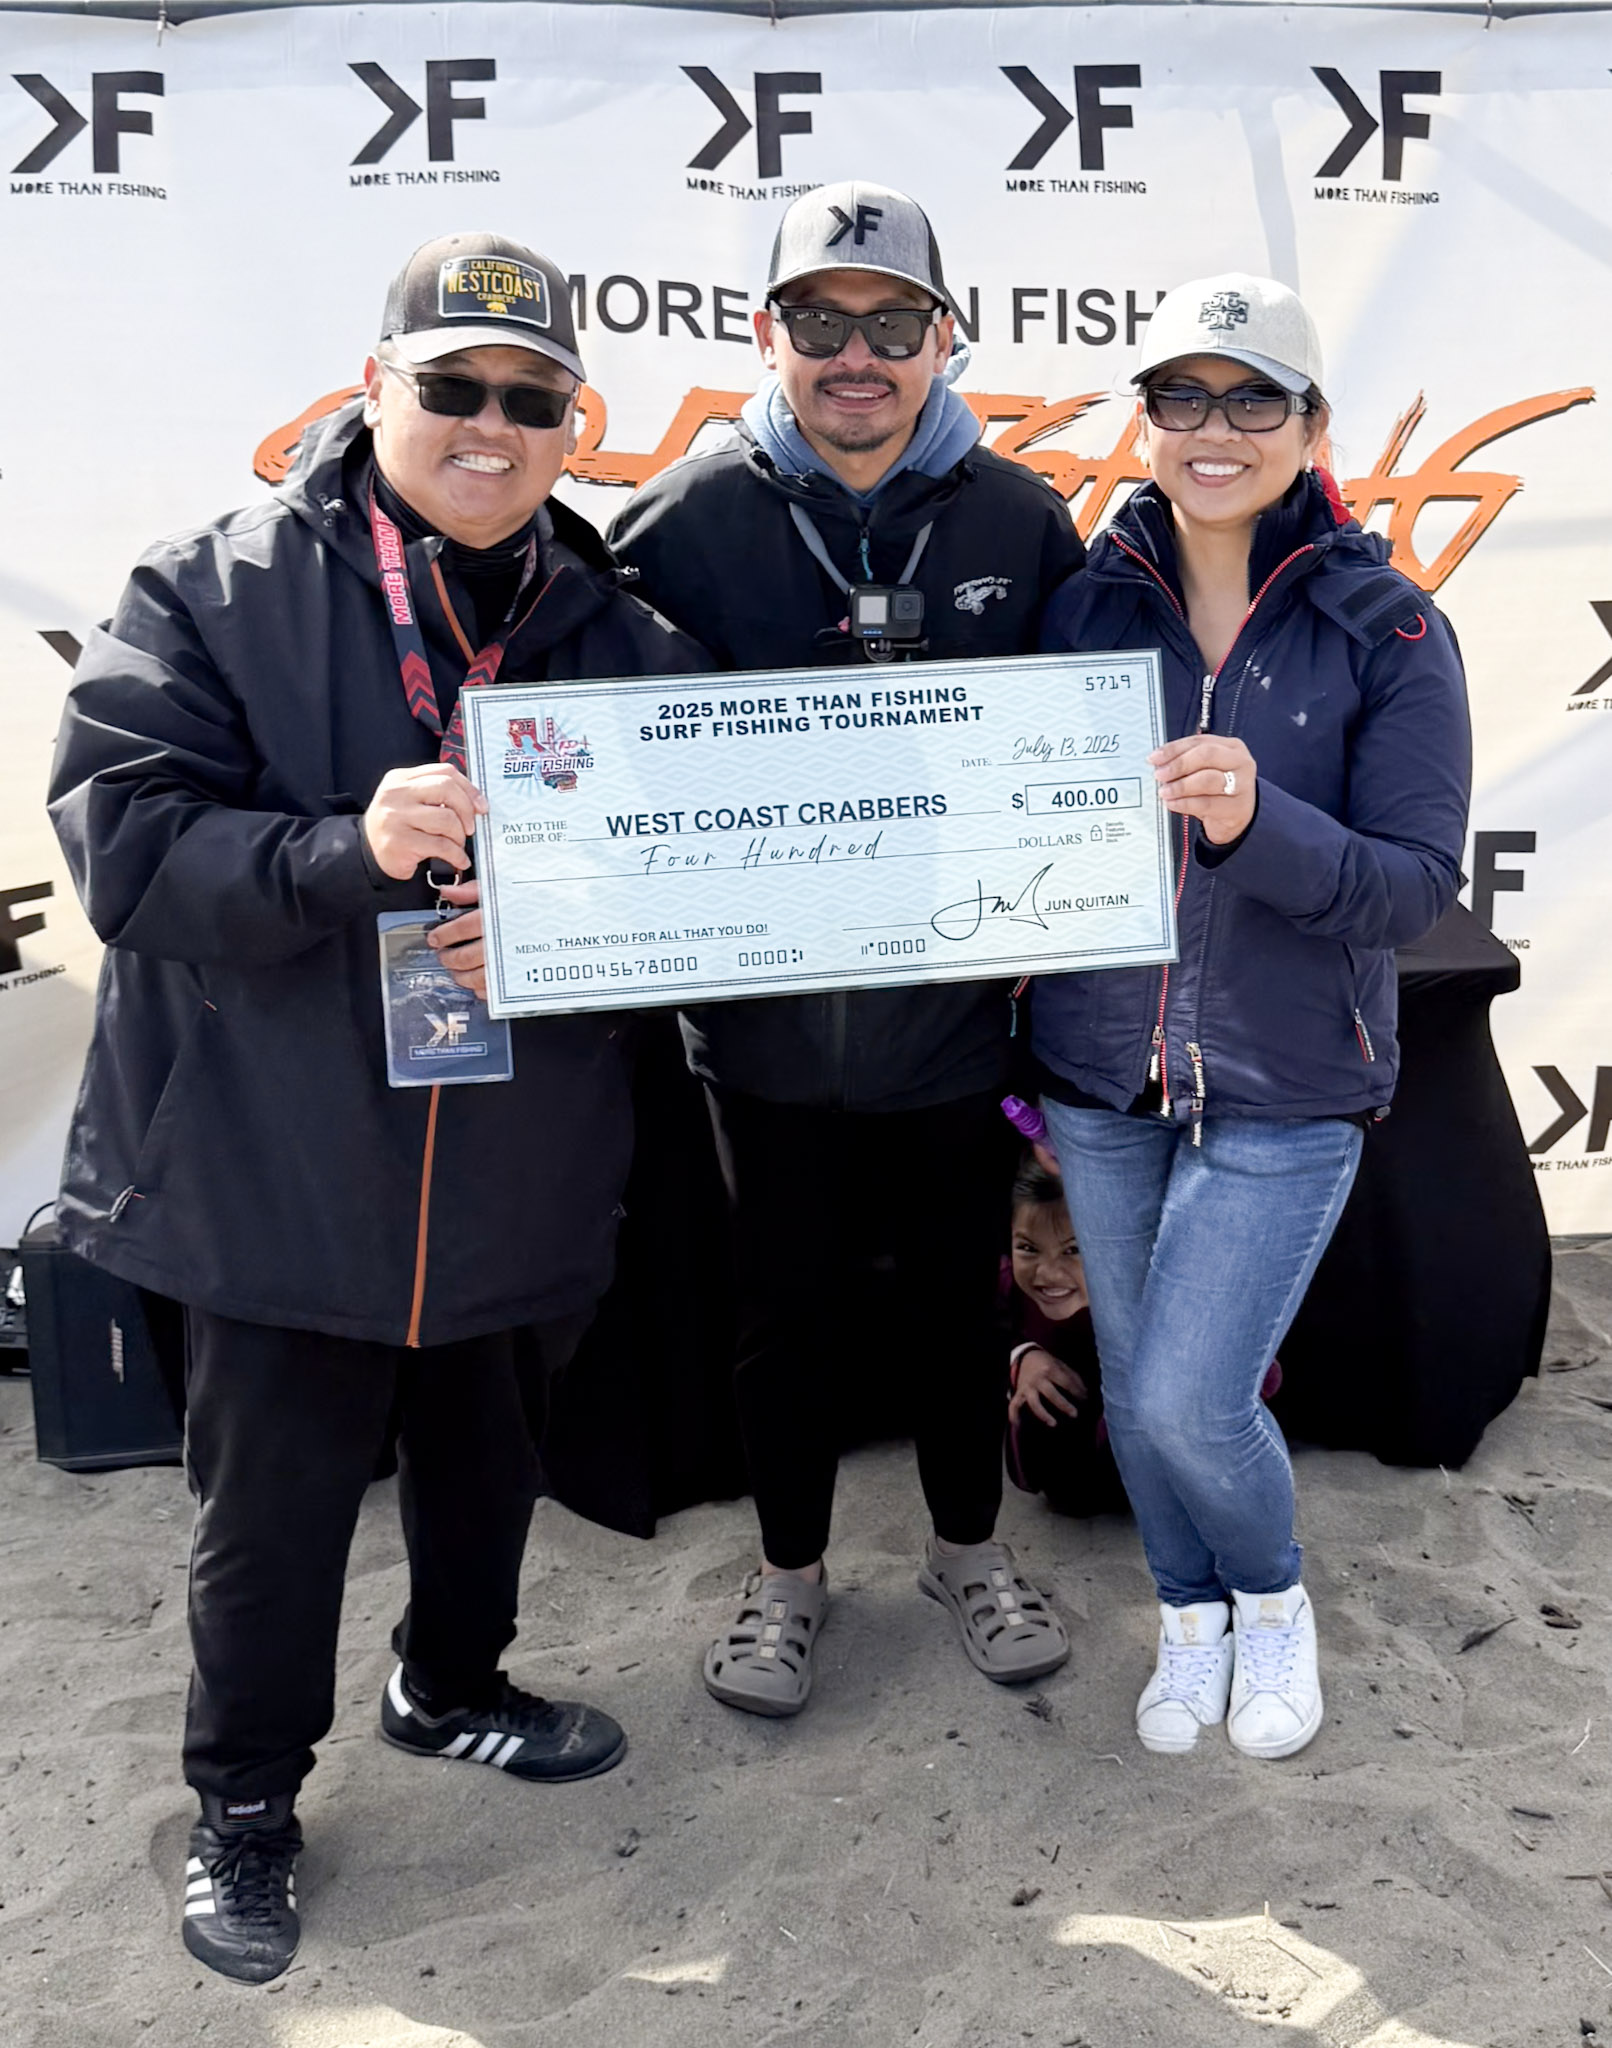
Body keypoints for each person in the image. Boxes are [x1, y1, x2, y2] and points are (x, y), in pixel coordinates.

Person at [48, 230, 707, 1984]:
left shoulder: (622, 628)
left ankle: (452, 1682)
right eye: (454, 386)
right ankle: (246, 1807)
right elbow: (126, 849)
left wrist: (571, 926)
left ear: (576, 427)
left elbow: (688, 891)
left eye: (533, 399)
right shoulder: (212, 586)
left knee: (490, 1469)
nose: (492, 426)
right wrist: (344, 852)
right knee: (269, 1526)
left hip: (520, 1158)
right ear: (373, 387)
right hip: (278, 1167)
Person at [608, 181, 1086, 1716]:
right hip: (761, 1030)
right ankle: (790, 1575)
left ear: (946, 337)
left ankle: (966, 1552)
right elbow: (594, 760)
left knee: (955, 1303)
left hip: (949, 1015)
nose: (856, 355)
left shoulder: (1019, 521)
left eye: (892, 322)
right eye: (821, 320)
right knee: (782, 1313)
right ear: (769, 334)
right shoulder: (681, 522)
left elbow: (1078, 754)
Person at [1031, 273, 1470, 1761]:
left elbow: (1412, 889)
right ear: (1145, 420)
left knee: (1187, 1399)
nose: (1213, 430)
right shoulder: (1084, 603)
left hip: (1290, 1086)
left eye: (1251, 399)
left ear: (1311, 425)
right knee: (1136, 1398)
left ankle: (1271, 1598)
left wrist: (1253, 820)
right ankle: (1188, 1614)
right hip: (1101, 1074)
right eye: (1182, 397)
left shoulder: (1388, 627)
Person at [1003, 1155, 1129, 1518]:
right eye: (1028, 1248)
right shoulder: (1007, 1286)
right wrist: (1022, 1357)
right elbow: (968, 1331)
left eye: (1074, 1250)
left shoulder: (1151, 1296)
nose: (1048, 1273)